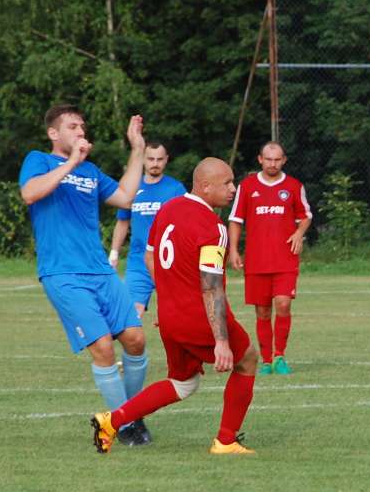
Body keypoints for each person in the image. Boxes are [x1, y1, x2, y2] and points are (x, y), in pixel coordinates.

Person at [91, 157, 259, 455]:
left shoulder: (168, 208)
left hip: (171, 316)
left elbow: (149, 259)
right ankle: (226, 440)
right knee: (247, 359)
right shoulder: (212, 226)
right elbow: (211, 287)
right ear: (205, 187)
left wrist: (169, 302)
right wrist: (221, 341)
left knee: (183, 383)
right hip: (198, 317)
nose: (234, 189)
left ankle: (112, 420)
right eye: (228, 183)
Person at [19, 104, 151, 446]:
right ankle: (124, 425)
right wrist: (71, 163)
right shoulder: (39, 160)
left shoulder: (91, 171)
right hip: (63, 273)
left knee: (136, 339)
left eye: (82, 127)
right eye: (73, 126)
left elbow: (124, 197)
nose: (81, 131)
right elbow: (29, 193)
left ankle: (131, 414)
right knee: (104, 347)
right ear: (54, 133)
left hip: (100, 271)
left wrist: (137, 149)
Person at [228, 142, 312, 375]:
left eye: (277, 159)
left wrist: (298, 232)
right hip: (257, 260)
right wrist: (233, 250)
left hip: (285, 259)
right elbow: (235, 219)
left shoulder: (294, 186)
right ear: (260, 159)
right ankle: (265, 360)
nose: (272, 163)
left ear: (283, 160)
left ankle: (280, 356)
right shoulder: (247, 186)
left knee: (283, 304)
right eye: (268, 159)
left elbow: (306, 216)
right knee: (262, 312)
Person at [109, 141, 186, 317]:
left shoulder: (176, 189)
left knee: (177, 314)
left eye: (159, 159)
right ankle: (136, 346)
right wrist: (114, 254)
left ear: (166, 160)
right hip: (138, 262)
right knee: (130, 315)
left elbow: (185, 226)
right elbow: (122, 222)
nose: (155, 163)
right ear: (143, 160)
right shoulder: (132, 189)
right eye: (151, 159)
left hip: (168, 262)